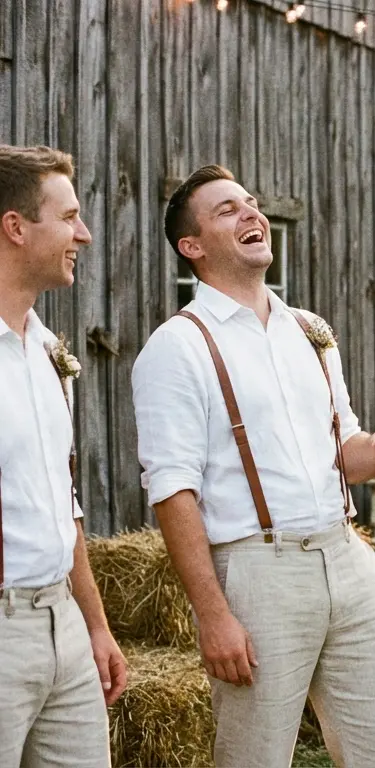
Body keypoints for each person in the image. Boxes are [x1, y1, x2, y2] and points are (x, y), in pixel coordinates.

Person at [132, 165, 375, 767]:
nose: (251, 214)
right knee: (254, 758)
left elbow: (346, 451)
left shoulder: (308, 331)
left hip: (347, 557)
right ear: (193, 247)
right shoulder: (178, 346)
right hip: (258, 572)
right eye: (227, 210)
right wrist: (213, 616)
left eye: (252, 204)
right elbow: (172, 490)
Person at [0, 144, 127, 767]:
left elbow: (63, 502)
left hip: (64, 626)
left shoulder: (51, 354)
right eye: (69, 216)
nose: (85, 233)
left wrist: (95, 625)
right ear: (16, 227)